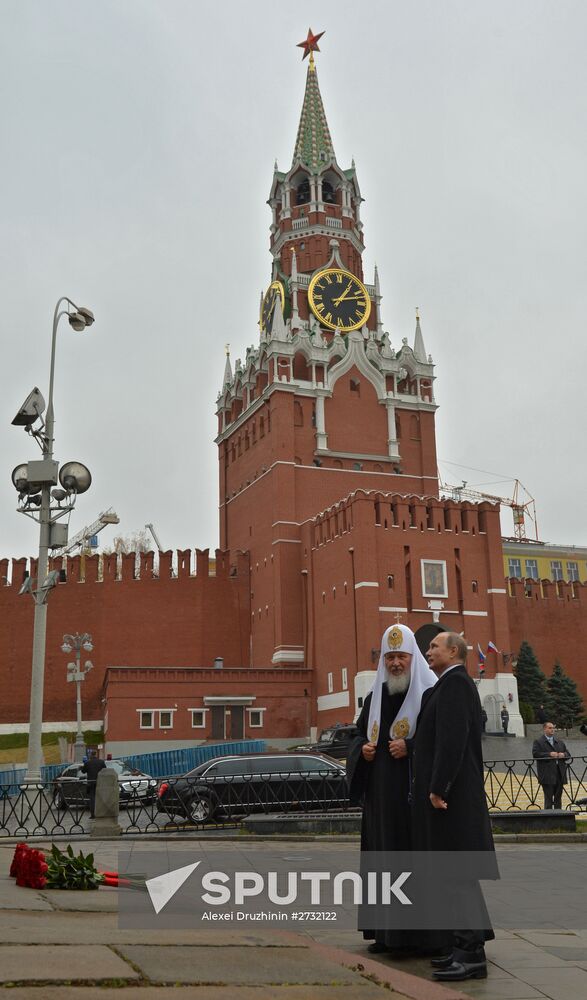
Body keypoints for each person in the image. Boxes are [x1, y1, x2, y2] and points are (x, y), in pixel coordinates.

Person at [346, 623, 449, 957]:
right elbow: (358, 735)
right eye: (390, 657)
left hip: (413, 798)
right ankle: (386, 933)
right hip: (380, 800)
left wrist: (412, 747)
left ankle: (418, 938)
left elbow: (443, 739)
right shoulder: (376, 695)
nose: (395, 664)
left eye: (401, 656)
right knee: (382, 862)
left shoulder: (429, 690)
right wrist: (362, 749)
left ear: (412, 657)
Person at [411, 631, 498, 982]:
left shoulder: (456, 684)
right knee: (454, 877)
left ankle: (472, 955)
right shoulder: (448, 685)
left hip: (453, 800)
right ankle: (462, 948)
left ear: (454, 651)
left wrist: (437, 787)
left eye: (433, 646)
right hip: (450, 798)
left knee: (460, 877)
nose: (427, 651)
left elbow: (452, 741)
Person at [532, 722, 571, 809]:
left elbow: (568, 754)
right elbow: (536, 754)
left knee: (558, 797)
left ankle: (559, 817)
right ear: (544, 729)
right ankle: (548, 818)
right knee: (548, 798)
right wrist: (549, 754)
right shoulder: (539, 742)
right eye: (550, 728)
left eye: (553, 728)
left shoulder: (559, 741)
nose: (552, 729)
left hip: (559, 773)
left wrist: (563, 755)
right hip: (547, 774)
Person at [81, 751, 106, 818]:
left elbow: (83, 771)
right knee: (100, 798)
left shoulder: (87, 763)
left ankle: (93, 814)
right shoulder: (101, 762)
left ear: (90, 755)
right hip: (100, 783)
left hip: (91, 783)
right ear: (96, 754)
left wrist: (82, 766)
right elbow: (105, 770)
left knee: (92, 799)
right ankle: (101, 813)